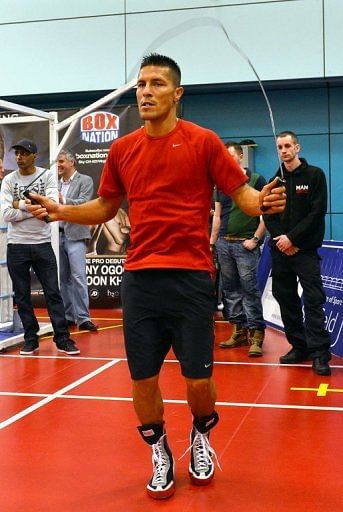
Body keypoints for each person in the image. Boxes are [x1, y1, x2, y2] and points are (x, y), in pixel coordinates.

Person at [26, 54, 286, 499]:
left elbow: (242, 196)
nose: (145, 92)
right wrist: (60, 210)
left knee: (199, 380)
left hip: (190, 279)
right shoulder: (123, 150)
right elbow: (107, 207)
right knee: (142, 378)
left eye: (157, 84)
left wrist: (263, 201)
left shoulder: (204, 142)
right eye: (141, 84)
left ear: (177, 94)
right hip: (141, 280)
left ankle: (201, 436)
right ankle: (159, 447)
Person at [0, 139, 80, 355]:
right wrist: (30, 206)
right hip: (17, 245)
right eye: (17, 153)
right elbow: (6, 214)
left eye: (24, 153)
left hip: (42, 244)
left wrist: (19, 205)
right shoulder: (8, 180)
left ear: (34, 156)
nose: (19, 157)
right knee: (22, 294)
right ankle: (30, 338)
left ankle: (62, 339)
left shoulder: (46, 176)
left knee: (53, 292)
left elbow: (50, 208)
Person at [263, 130, 331, 376]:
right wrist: (282, 239)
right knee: (286, 298)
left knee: (313, 300)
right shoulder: (275, 180)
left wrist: (292, 238)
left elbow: (317, 212)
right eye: (280, 147)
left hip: (305, 251)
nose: (284, 151)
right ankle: (299, 346)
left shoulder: (315, 175)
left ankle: (320, 353)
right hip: (281, 251)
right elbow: (267, 213)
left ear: (297, 148)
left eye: (288, 146)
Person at [210, 141, 266, 356]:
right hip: (224, 243)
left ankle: (257, 334)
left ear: (241, 157)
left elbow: (267, 213)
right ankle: (239, 330)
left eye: (231, 156)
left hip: (246, 245)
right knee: (230, 289)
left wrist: (255, 239)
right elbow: (216, 215)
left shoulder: (256, 180)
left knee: (249, 290)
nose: (226, 160)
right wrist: (212, 243)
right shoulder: (219, 183)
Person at [57, 149, 98, 331]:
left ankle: (83, 318)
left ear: (72, 162)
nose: (58, 165)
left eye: (61, 161)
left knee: (79, 277)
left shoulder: (85, 180)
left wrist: (62, 199)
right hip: (57, 235)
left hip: (76, 236)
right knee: (63, 279)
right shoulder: (54, 183)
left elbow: (84, 202)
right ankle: (68, 316)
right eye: (58, 162)